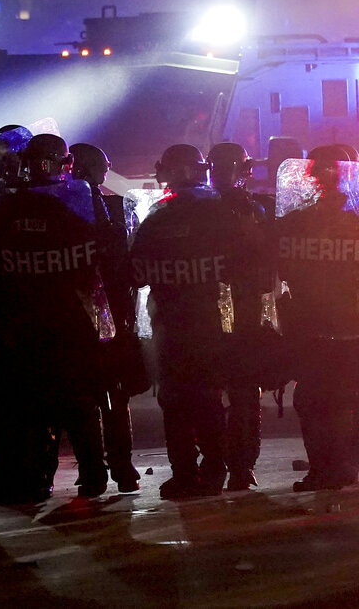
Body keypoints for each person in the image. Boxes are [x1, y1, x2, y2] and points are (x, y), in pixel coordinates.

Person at [0, 134, 109, 504]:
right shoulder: (7, 204)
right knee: (35, 406)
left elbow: (107, 259)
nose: (41, 171)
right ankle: (39, 478)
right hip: (29, 321)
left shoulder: (83, 199)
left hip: (65, 320)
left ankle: (92, 473)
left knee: (76, 402)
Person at [130, 144, 247, 499]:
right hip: (211, 323)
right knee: (207, 399)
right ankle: (213, 469)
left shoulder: (156, 218)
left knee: (176, 401)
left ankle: (185, 474)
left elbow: (135, 272)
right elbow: (247, 264)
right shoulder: (221, 213)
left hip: (171, 325)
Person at [275, 145, 359, 491]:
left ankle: (330, 469)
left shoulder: (295, 223)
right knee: (335, 399)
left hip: (315, 328)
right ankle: (336, 467)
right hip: (341, 328)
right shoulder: (352, 222)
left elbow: (277, 269)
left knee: (317, 400)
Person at [70, 142, 142, 493]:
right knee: (104, 396)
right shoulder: (111, 208)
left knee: (100, 396)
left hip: (98, 313)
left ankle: (103, 470)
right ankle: (112, 469)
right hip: (98, 313)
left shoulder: (112, 207)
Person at [207, 142, 271, 491]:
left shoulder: (195, 208)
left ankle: (222, 465)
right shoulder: (252, 209)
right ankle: (240, 467)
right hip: (241, 313)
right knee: (243, 393)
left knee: (211, 392)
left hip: (206, 314)